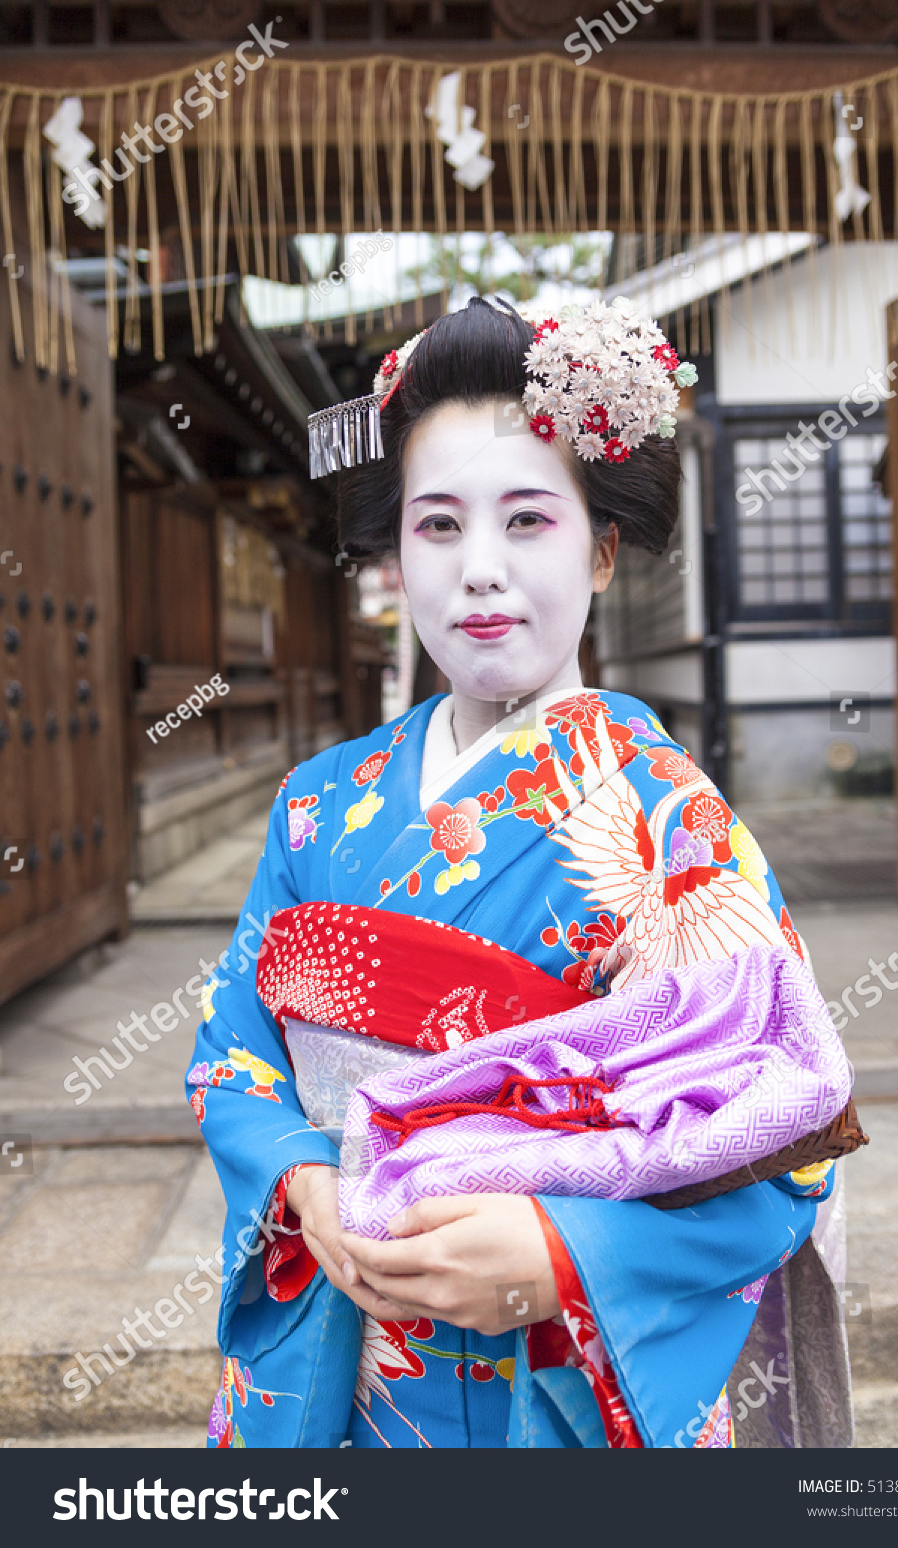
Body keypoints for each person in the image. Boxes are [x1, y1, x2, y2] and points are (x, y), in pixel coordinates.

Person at [187, 296, 852, 1450]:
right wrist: (303, 1181)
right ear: (394, 553)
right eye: (436, 526)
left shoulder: (667, 820)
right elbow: (232, 1051)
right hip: (351, 1333)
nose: (479, 572)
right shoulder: (315, 805)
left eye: (527, 521)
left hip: (550, 1367)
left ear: (599, 548)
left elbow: (781, 1138)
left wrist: (566, 1254)